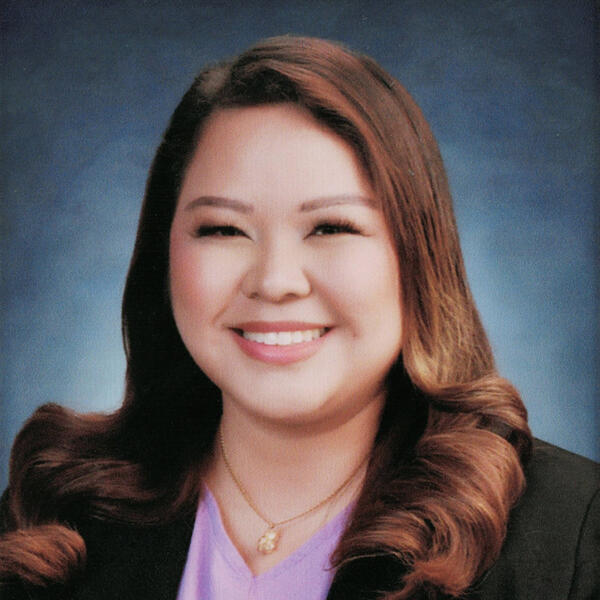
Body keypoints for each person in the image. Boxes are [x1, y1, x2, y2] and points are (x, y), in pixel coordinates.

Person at [0, 35, 597, 600]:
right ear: (164, 254)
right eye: (224, 229)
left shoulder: (571, 536)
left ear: (418, 255)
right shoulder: (52, 519)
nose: (275, 281)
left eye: (331, 227)